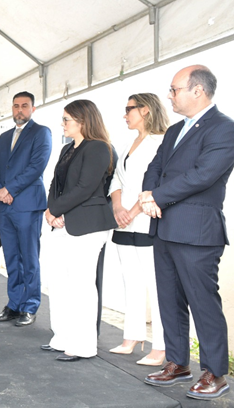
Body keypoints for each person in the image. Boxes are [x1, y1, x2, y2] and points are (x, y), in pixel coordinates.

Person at [141, 65, 233, 400]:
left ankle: (215, 373)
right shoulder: (174, 129)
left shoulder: (224, 128)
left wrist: (157, 197)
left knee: (203, 303)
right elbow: (155, 166)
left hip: (196, 231)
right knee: (170, 300)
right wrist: (148, 195)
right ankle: (177, 363)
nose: (170, 95)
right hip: (164, 226)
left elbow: (204, 175)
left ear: (198, 91)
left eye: (175, 89)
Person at [42, 99, 117, 361]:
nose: (62, 124)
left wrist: (56, 210)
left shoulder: (99, 148)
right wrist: (51, 210)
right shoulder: (66, 149)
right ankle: (62, 337)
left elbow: (85, 187)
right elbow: (55, 183)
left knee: (82, 284)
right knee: (60, 283)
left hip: (88, 224)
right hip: (63, 223)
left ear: (83, 121)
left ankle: (84, 345)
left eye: (66, 120)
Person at [107, 93, 168, 365]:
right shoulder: (127, 143)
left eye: (128, 109)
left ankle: (162, 346)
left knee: (157, 286)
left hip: (146, 221)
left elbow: (158, 184)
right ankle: (132, 336)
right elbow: (115, 180)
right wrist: (118, 208)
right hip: (123, 222)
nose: (124, 115)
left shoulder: (163, 142)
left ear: (144, 110)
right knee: (130, 281)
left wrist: (131, 212)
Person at [0, 92, 52, 327]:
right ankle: (14, 304)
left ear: (33, 109)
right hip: (4, 206)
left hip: (27, 206)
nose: (19, 110)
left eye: (24, 106)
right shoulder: (4, 136)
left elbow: (37, 166)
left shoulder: (41, 132)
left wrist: (9, 190)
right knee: (11, 257)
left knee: (29, 257)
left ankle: (30, 305)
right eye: (16, 106)